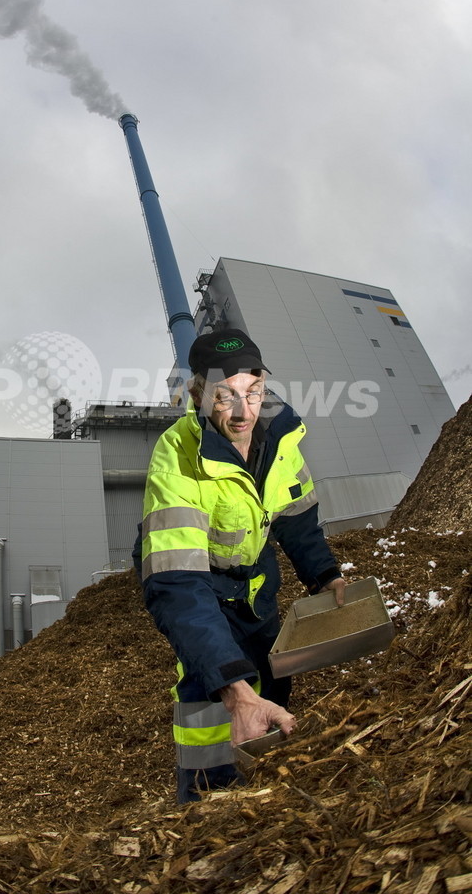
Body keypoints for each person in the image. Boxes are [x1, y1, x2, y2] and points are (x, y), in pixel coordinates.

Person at [134, 328, 345, 803]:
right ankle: (206, 796)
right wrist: (233, 688)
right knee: (211, 686)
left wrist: (326, 575)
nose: (243, 412)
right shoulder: (177, 460)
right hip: (197, 582)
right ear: (197, 395)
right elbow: (178, 584)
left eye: (253, 393)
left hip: (253, 578)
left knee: (271, 671)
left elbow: (294, 514)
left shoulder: (282, 433)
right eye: (224, 396)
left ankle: (265, 761)